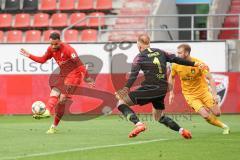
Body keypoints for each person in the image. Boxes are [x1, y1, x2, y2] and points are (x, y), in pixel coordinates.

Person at [115, 34, 204, 139]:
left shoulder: (139, 57)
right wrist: (195, 64)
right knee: (159, 117)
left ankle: (139, 124)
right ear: (149, 43)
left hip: (150, 88)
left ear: (139, 46)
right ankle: (182, 131)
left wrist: (125, 89)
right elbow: (177, 59)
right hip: (162, 89)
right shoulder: (160, 52)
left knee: (121, 103)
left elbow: (133, 75)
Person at [20, 32, 94, 134]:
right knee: (54, 92)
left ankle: (51, 120)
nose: (53, 46)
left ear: (60, 41)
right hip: (63, 75)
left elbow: (80, 64)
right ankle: (48, 113)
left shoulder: (68, 49)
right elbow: (42, 60)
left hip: (74, 76)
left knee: (62, 98)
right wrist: (29, 55)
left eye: (56, 44)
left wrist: (87, 78)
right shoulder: (51, 49)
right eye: (51, 44)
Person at [168, 43, 230, 134]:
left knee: (217, 113)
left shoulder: (199, 64)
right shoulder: (176, 64)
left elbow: (210, 78)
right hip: (189, 95)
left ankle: (206, 107)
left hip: (203, 92)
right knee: (205, 115)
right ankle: (225, 127)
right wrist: (171, 93)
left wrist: (215, 95)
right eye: (177, 53)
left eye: (180, 53)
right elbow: (171, 77)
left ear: (187, 53)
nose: (178, 55)